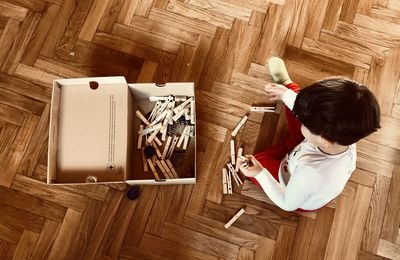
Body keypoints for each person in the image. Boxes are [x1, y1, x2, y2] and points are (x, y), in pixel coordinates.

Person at [239, 57, 381, 212]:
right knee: (303, 105)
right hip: (303, 151)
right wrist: (286, 94)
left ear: (325, 139)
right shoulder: (345, 130)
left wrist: (260, 173)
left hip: (291, 185)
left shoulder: (311, 174)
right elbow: (311, 114)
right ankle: (288, 85)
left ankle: (283, 147)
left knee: (257, 163)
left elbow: (287, 203)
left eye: (305, 123)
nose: (301, 120)